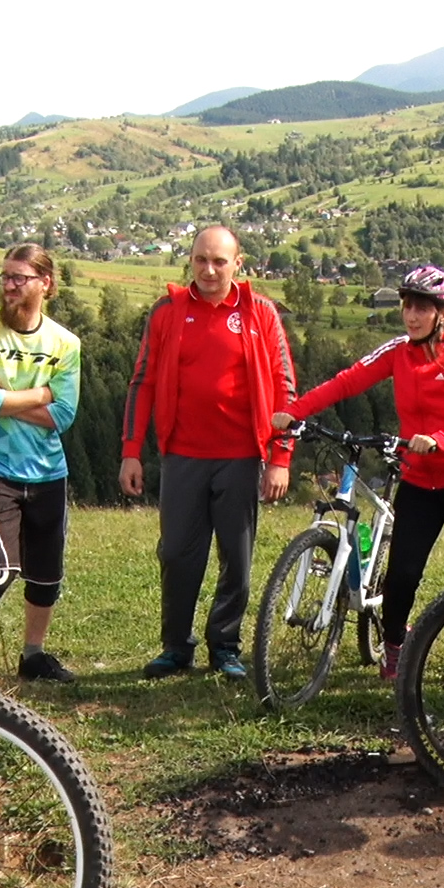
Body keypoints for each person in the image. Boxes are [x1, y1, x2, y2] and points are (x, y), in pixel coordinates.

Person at [272, 266, 444, 684]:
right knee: (402, 575)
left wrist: (441, 439)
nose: (411, 316)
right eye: (407, 307)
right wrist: (295, 411)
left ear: (442, 313)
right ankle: (394, 646)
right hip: (419, 482)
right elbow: (346, 382)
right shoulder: (397, 351)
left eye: (422, 308)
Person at [121, 225, 294, 680]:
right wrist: (131, 451)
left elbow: (284, 388)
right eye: (201, 260)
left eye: (220, 261)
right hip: (182, 454)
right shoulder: (168, 311)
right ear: (190, 260)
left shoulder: (261, 313)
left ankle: (226, 648)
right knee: (177, 553)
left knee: (235, 557)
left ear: (238, 262)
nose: (209, 270)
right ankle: (176, 647)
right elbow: (143, 382)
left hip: (241, 455)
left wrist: (281, 457)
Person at [0, 244, 82, 685]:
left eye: (18, 278)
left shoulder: (65, 343)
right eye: (4, 276)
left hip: (48, 471)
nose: (8, 286)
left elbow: (63, 416)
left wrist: (6, 397)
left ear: (45, 283)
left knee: (47, 575)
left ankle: (33, 657)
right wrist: (42, 393)